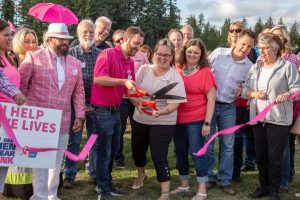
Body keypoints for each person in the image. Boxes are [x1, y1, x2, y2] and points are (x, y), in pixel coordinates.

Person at [19, 23, 85, 200]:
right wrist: (22, 114)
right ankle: (39, 196)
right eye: (61, 39)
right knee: (40, 162)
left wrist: (80, 114)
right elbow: (21, 88)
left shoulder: (75, 63)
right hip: (39, 121)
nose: (65, 42)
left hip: (63, 120)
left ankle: (52, 195)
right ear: (49, 39)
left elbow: (79, 91)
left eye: (67, 39)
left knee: (56, 163)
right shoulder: (33, 58)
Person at [243, 33, 300, 200]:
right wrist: (253, 93)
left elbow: (297, 89)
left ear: (275, 50)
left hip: (278, 119)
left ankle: (274, 190)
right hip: (257, 118)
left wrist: (288, 95)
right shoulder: (255, 67)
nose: (262, 52)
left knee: (275, 157)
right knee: (261, 155)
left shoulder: (287, 67)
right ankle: (263, 187)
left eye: (266, 48)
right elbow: (245, 90)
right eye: (260, 48)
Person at [91, 26, 144, 200]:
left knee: (113, 151)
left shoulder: (130, 61)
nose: (138, 48)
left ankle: (107, 183)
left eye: (141, 44)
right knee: (104, 152)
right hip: (102, 110)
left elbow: (128, 90)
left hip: (116, 109)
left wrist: (139, 102)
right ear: (124, 39)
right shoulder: (107, 54)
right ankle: (102, 189)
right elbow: (98, 79)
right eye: (136, 43)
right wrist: (123, 81)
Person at [130, 38, 186, 200]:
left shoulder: (174, 77)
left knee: (158, 155)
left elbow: (175, 104)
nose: (162, 57)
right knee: (137, 150)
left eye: (167, 55)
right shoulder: (143, 69)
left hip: (163, 121)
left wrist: (160, 112)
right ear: (154, 54)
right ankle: (141, 175)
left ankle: (165, 192)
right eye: (160, 54)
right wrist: (137, 103)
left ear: (171, 57)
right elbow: (132, 93)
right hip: (140, 118)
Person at [207, 30, 256, 196]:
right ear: (236, 40)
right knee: (207, 142)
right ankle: (208, 178)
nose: (245, 48)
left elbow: (248, 89)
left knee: (228, 145)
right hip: (210, 105)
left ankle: (225, 180)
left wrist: (243, 90)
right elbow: (204, 71)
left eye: (249, 46)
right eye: (243, 43)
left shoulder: (250, 67)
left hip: (229, 107)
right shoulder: (218, 54)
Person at [171, 38, 216, 200]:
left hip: (196, 120)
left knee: (197, 154)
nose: (192, 54)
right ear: (184, 52)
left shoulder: (205, 72)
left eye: (196, 52)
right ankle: (184, 185)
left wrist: (207, 123)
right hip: (177, 119)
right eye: (189, 51)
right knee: (180, 153)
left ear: (201, 54)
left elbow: (211, 99)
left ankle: (202, 190)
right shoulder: (177, 68)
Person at [63, 19, 101, 189]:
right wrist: (77, 105)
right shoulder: (69, 54)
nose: (88, 35)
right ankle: (69, 175)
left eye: (91, 32)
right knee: (73, 140)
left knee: (94, 139)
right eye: (84, 32)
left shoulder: (101, 54)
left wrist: (93, 103)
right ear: (78, 34)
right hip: (73, 103)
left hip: (95, 103)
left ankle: (94, 173)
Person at [222, 21, 258, 183]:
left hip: (240, 104)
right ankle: (223, 172)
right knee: (224, 140)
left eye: (238, 30)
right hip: (221, 103)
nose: (235, 32)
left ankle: (234, 172)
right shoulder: (220, 53)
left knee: (236, 139)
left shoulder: (251, 59)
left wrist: (246, 93)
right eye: (232, 30)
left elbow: (252, 82)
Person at [270, 24, 300, 193]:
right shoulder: (265, 56)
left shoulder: (291, 58)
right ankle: (283, 175)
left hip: (289, 105)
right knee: (279, 143)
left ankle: (285, 178)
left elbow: (295, 84)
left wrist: (286, 95)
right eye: (274, 35)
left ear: (285, 38)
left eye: (280, 36)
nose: (277, 38)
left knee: (286, 143)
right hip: (270, 108)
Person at [0, 19, 26, 200]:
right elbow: (3, 82)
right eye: (6, 35)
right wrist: (15, 93)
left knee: (3, 163)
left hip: (11, 119)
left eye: (11, 34)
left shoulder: (8, 57)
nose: (11, 38)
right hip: (1, 118)